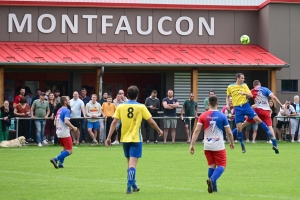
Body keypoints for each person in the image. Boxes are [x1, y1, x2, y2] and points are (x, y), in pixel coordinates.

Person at [105, 85, 163, 194]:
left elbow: (114, 122)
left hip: (124, 139)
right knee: (133, 165)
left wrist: (108, 137)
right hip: (136, 139)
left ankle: (134, 185)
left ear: (127, 95)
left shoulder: (121, 107)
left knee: (129, 163)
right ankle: (129, 186)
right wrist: (159, 130)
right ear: (137, 96)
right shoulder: (141, 107)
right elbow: (151, 121)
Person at [190, 95, 234, 193]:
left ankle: (214, 189)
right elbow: (229, 132)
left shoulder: (203, 115)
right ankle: (212, 180)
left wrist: (192, 144)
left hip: (207, 145)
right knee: (222, 165)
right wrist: (231, 142)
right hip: (218, 145)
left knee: (211, 166)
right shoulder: (222, 116)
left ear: (208, 103)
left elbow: (196, 131)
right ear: (217, 103)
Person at [226, 74, 279, 154]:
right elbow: (227, 96)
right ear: (237, 78)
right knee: (239, 128)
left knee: (257, 119)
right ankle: (242, 144)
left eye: (244, 78)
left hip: (246, 106)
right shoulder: (230, 87)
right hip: (238, 108)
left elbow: (250, 95)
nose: (243, 79)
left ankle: (269, 134)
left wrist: (245, 93)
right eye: (242, 78)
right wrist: (227, 105)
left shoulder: (244, 85)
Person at [50, 96, 78, 169]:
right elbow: (66, 121)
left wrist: (64, 126)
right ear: (65, 102)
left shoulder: (59, 110)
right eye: (68, 100)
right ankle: (56, 159)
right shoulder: (67, 110)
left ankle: (60, 164)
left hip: (58, 131)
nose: (69, 101)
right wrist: (73, 127)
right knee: (70, 151)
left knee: (64, 149)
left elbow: (55, 123)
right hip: (64, 133)